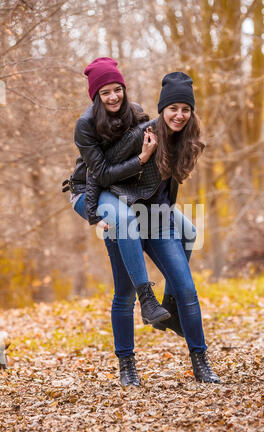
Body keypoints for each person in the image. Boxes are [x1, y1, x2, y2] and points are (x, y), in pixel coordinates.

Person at [64, 59, 220, 385]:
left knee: (187, 288)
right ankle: (127, 365)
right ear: (161, 110)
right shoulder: (139, 134)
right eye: (172, 108)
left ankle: (200, 360)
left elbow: (169, 186)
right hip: (119, 211)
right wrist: (94, 214)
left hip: (155, 214)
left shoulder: (181, 139)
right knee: (124, 294)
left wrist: (168, 217)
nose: (178, 114)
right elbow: (99, 174)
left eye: (184, 109)